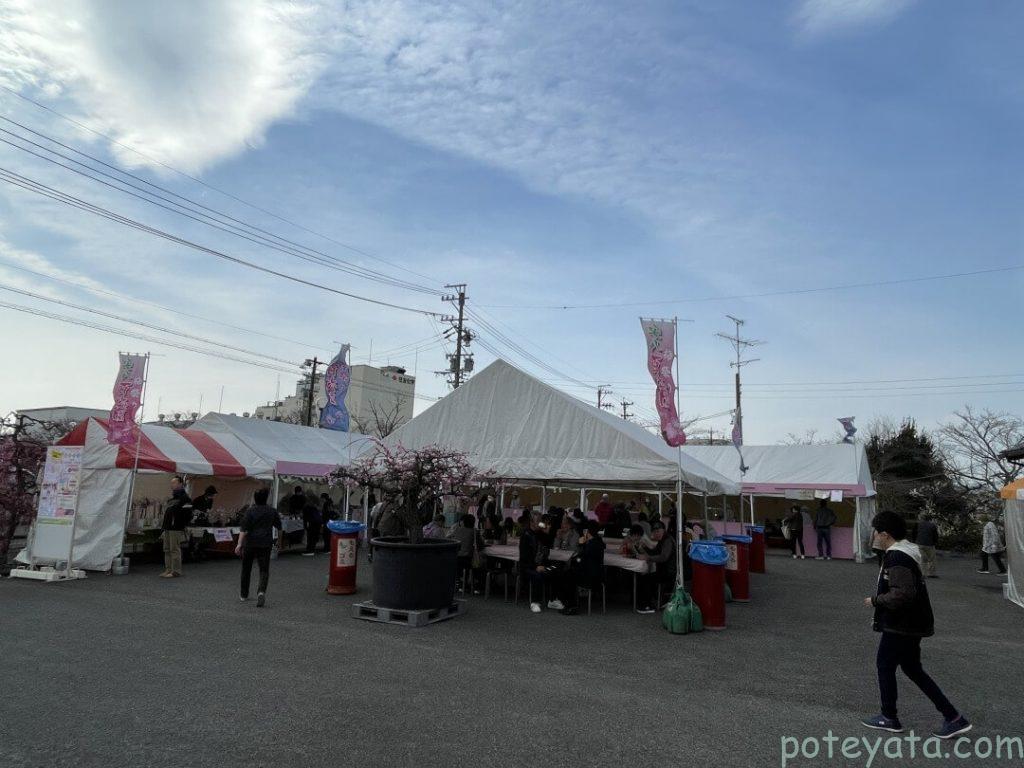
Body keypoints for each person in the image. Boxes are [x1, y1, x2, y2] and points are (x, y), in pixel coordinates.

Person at [861, 510, 971, 739]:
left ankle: (889, 716)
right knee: (913, 669)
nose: (875, 537)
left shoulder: (897, 556)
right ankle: (953, 717)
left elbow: (903, 594)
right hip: (913, 622)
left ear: (885, 534)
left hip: (901, 624)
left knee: (885, 665)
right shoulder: (908, 550)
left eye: (877, 533)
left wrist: (875, 600)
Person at [235, 487, 281, 607]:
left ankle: (244, 594)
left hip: (250, 542)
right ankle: (261, 591)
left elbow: (243, 529)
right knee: (264, 569)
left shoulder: (250, 511)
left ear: (255, 498)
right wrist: (278, 541)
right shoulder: (272, 511)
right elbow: (279, 527)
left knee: (246, 568)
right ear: (266, 498)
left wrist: (239, 544)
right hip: (265, 542)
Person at [556, 520, 606, 615]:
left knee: (567, 575)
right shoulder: (598, 542)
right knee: (568, 573)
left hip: (590, 576)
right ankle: (569, 604)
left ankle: (571, 605)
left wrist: (581, 545)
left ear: (587, 531)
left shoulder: (591, 544)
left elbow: (580, 558)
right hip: (597, 574)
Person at [636, 521, 677, 614]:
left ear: (663, 530)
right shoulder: (663, 540)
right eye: (654, 532)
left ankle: (646, 605)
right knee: (644, 577)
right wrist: (645, 548)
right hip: (664, 571)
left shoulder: (668, 541)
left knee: (646, 578)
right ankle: (645, 603)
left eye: (658, 531)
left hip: (669, 573)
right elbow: (654, 552)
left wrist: (648, 557)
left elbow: (663, 557)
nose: (656, 534)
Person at [160, 476, 193, 579]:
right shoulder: (173, 498)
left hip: (176, 528)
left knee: (174, 549)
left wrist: (180, 524)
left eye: (174, 483)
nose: (172, 485)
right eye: (171, 483)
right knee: (166, 549)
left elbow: (188, 514)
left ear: (180, 484)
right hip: (168, 527)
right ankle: (168, 569)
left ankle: (176, 571)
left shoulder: (185, 498)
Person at [518, 512, 550, 613]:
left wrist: (547, 533)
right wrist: (535, 566)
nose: (540, 523)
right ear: (531, 522)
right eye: (538, 521)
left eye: (541, 521)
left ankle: (553, 599)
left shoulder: (539, 533)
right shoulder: (526, 535)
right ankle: (535, 602)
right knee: (537, 575)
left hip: (539, 563)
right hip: (527, 566)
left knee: (555, 570)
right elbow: (524, 557)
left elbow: (547, 547)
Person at [451, 514, 479, 593]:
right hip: (467, 559)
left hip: (455, 556)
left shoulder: (457, 529)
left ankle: (459, 582)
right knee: (479, 564)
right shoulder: (474, 532)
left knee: (460, 566)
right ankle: (476, 584)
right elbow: (480, 545)